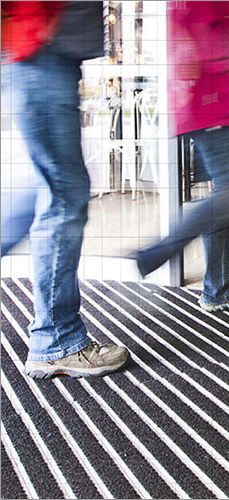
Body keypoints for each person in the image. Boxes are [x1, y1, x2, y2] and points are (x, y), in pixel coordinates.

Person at [1, 1, 128, 378]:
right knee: (63, 196)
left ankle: (56, 335)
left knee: (49, 192)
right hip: (41, 55)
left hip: (42, 56)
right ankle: (56, 340)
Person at [137, 1, 229, 312]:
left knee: (222, 195)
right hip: (212, 101)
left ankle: (219, 287)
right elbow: (197, 45)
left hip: (219, 101)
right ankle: (156, 253)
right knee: (228, 194)